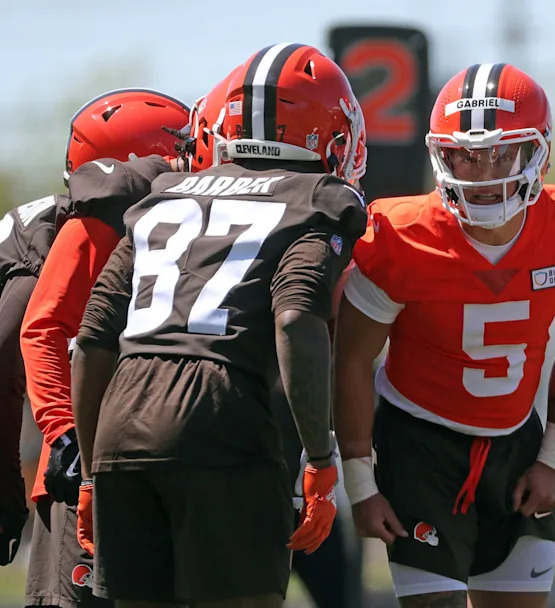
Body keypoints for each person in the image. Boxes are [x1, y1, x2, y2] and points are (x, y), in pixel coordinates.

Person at [70, 42, 368, 607]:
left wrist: (89, 473)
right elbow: (296, 317)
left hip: (121, 423)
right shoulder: (318, 199)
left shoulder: (162, 197)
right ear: (331, 136)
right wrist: (321, 459)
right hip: (223, 420)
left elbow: (90, 342)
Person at [334, 63, 555, 608]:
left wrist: (553, 456)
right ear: (441, 154)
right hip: (418, 447)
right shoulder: (402, 237)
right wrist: (361, 483)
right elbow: (350, 360)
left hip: (515, 441)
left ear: (537, 153)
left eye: (498, 153)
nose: (480, 171)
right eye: (463, 154)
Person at [12, 88, 189, 607]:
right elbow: (43, 329)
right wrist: (65, 435)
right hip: (87, 464)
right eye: (185, 152)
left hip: (154, 458)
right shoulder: (103, 216)